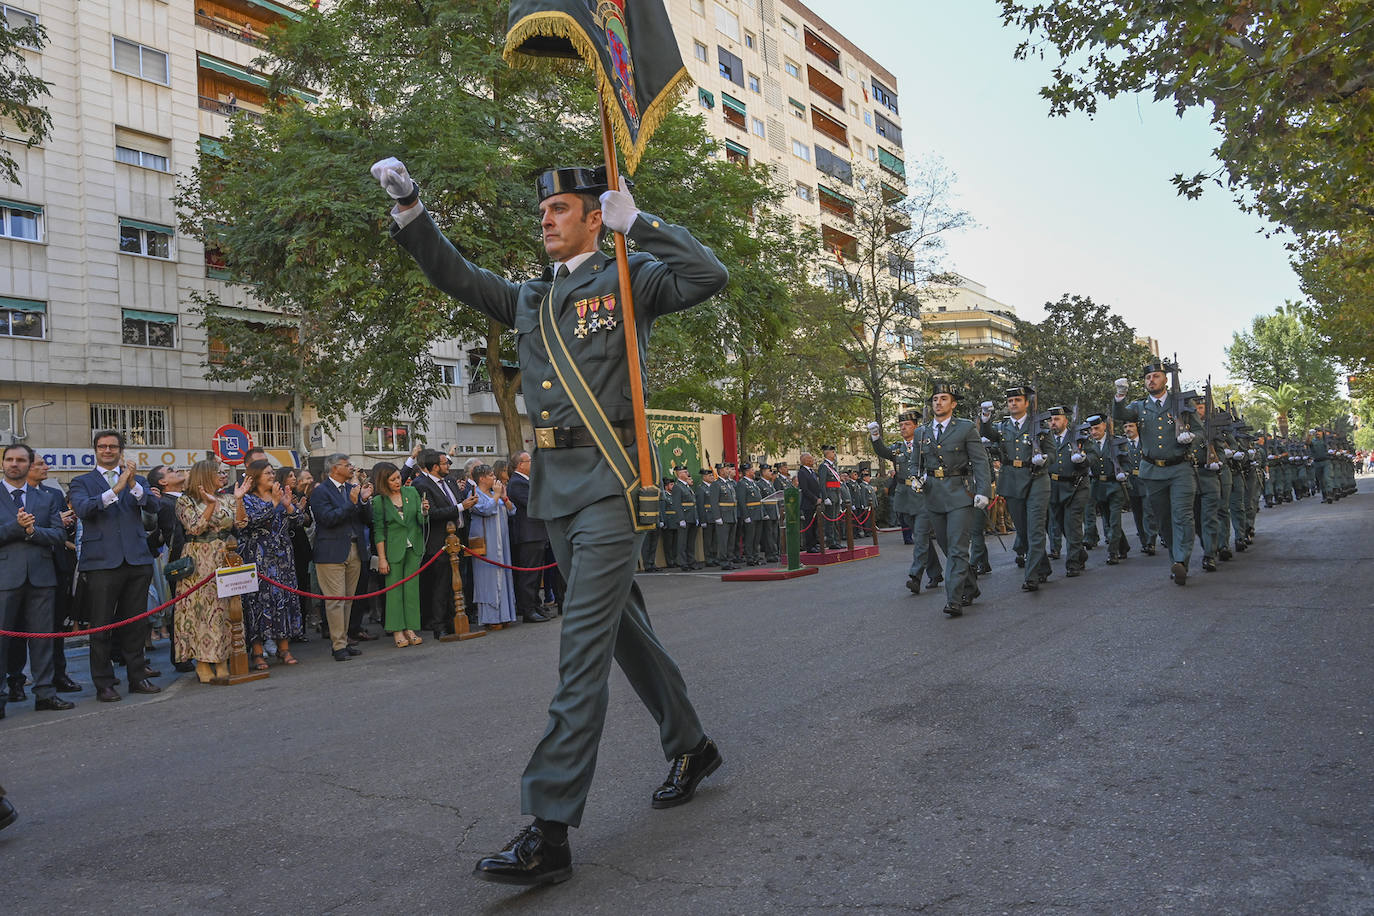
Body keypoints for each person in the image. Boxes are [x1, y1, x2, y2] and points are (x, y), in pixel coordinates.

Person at [374, 156, 725, 885]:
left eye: (560, 209)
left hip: (613, 486)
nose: (546, 220)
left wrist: (646, 224)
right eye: (544, 212)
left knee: (580, 655)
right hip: (556, 491)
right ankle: (691, 743)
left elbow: (706, 276)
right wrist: (412, 208)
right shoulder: (531, 299)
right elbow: (456, 274)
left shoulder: (627, 278)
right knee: (624, 632)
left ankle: (550, 828)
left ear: (596, 217)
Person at [68, 430, 161, 702]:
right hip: (101, 563)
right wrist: (116, 488)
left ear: (121, 450)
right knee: (101, 626)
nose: (107, 450)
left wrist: (132, 485)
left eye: (113, 446)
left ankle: (137, 677)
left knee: (135, 624)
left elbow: (154, 506)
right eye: (102, 446)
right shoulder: (81, 482)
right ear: (95, 450)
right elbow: (83, 509)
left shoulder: (137, 479)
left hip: (136, 560)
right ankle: (104, 683)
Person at [1, 444, 75, 716]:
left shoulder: (45, 498)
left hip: (42, 578)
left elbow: (57, 536)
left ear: (28, 464)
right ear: (3, 463)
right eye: (9, 459)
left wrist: (33, 532)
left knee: (43, 639)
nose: (14, 464)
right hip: (5, 578)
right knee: (3, 640)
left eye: (21, 460)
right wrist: (16, 528)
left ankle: (45, 693)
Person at [1112, 364, 1202, 585]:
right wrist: (1120, 396)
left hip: (1180, 467)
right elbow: (1120, 414)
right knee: (1164, 519)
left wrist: (1191, 437)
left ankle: (1181, 560)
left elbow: (1201, 431)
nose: (1151, 380)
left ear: (1165, 380)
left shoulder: (1181, 403)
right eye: (1148, 377)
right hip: (1152, 471)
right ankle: (1175, 558)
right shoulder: (1139, 406)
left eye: (1156, 376)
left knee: (1182, 515)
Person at [915, 382, 991, 617]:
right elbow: (914, 464)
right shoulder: (922, 431)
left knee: (957, 548)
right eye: (935, 398)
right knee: (948, 547)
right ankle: (970, 585)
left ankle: (953, 599)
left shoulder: (966, 428)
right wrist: (916, 478)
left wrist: (983, 490)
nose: (938, 402)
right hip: (934, 495)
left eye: (943, 398)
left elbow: (980, 461)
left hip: (960, 493)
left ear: (953, 404)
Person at [978, 387, 1052, 591]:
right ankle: (1043, 566)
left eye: (1018, 400)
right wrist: (985, 417)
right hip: (1012, 481)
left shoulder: (1040, 425)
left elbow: (1051, 453)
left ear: (1027, 403)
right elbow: (987, 433)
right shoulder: (1002, 427)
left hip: (1036, 479)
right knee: (1024, 530)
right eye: (1010, 401)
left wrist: (1043, 459)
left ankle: (1032, 575)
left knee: (1036, 529)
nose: (1013, 404)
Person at [174, 460, 237, 683]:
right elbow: (195, 528)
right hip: (200, 557)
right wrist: (209, 505)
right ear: (204, 476)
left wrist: (239, 499)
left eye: (223, 472)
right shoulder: (185, 500)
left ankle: (222, 658)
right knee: (201, 610)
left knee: (225, 609)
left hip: (226, 554)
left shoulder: (227, 498)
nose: (222, 475)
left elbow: (241, 523)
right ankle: (202, 661)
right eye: (217, 473)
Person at [235, 459, 302, 668]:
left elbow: (299, 521)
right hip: (258, 557)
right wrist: (273, 504)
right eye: (267, 474)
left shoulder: (278, 495)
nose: (272, 476)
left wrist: (288, 505)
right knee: (257, 603)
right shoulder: (247, 499)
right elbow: (248, 524)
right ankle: (257, 652)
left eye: (273, 473)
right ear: (255, 477)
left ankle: (284, 649)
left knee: (283, 599)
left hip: (282, 557)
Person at [870, 410, 945, 593]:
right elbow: (882, 451)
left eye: (907, 425)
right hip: (905, 497)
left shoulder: (926, 445)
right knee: (922, 537)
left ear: (916, 426)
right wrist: (875, 436)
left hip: (923, 496)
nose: (903, 428)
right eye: (901, 425)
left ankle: (915, 576)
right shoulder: (897, 448)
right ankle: (935, 573)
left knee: (919, 537)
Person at [309, 454, 372, 661]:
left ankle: (344, 640)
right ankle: (338, 646)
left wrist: (362, 501)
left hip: (354, 549)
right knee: (335, 600)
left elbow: (365, 519)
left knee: (348, 600)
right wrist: (351, 503)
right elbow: (327, 519)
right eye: (347, 465)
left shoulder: (349, 489)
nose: (351, 468)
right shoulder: (320, 492)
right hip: (331, 551)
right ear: (334, 468)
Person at [410, 449, 470, 637]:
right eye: (445, 463)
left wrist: (466, 504)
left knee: (458, 583)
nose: (449, 466)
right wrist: (461, 507)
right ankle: (439, 625)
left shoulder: (451, 481)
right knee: (441, 585)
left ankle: (456, 620)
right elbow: (433, 514)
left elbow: (458, 502)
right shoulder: (422, 484)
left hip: (458, 539)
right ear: (435, 467)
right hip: (439, 542)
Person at [370, 461, 426, 648]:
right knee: (394, 591)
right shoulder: (379, 502)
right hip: (392, 551)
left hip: (414, 547)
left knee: (412, 590)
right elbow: (378, 531)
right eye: (392, 479)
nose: (397, 481)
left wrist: (425, 512)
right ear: (383, 482)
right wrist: (382, 558)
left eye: (398, 477)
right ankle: (397, 630)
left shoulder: (412, 492)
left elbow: (420, 520)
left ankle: (411, 628)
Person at [467, 464, 517, 629]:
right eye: (490, 476)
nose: (494, 479)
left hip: (503, 543)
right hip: (486, 544)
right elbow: (486, 510)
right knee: (488, 579)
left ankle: (505, 615)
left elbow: (512, 511)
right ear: (481, 478)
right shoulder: (474, 494)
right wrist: (496, 496)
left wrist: (504, 498)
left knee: (504, 575)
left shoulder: (496, 493)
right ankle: (491, 618)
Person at [506, 451, 552, 622]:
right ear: (520, 465)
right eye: (529, 461)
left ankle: (535, 605)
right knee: (528, 575)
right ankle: (528, 610)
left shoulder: (525, 481)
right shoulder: (517, 483)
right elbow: (533, 503)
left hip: (536, 533)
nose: (532, 464)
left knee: (536, 574)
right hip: (528, 535)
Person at [797, 452, 822, 553]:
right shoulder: (802, 472)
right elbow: (805, 489)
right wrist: (815, 499)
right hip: (808, 503)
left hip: (816, 502)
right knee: (809, 525)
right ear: (805, 460)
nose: (812, 461)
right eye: (810, 459)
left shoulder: (812, 472)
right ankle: (810, 546)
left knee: (815, 525)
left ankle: (815, 543)